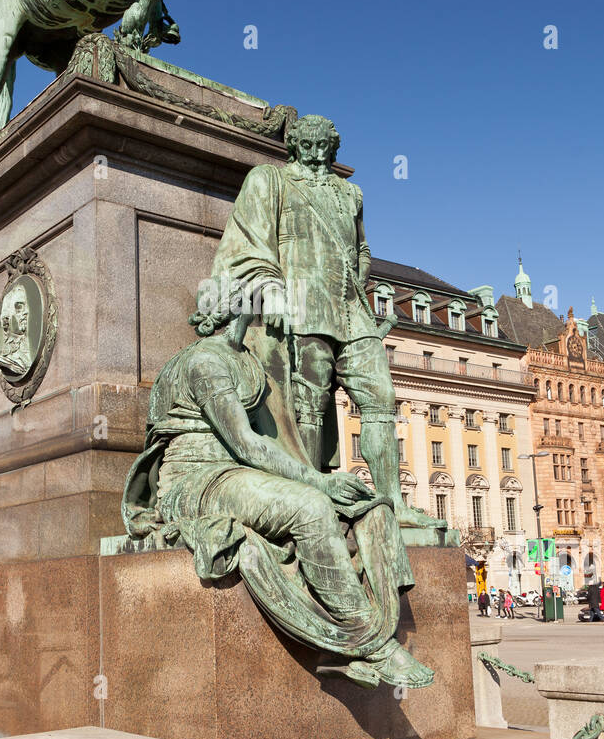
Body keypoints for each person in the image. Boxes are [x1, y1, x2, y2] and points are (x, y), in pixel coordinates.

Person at [119, 297, 434, 690]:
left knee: (362, 509)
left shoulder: (245, 360)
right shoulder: (204, 363)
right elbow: (248, 444)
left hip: (230, 475)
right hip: (194, 481)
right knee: (311, 505)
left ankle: (335, 650)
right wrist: (318, 481)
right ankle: (365, 639)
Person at [209, 115, 446, 544]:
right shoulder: (272, 181)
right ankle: (312, 492)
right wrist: (271, 289)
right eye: (309, 145)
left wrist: (359, 273)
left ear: (333, 149)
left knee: (381, 397)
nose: (318, 153)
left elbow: (361, 245)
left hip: (349, 306)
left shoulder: (350, 192)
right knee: (310, 402)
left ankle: (392, 503)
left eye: (325, 146)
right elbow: (249, 239)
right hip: (303, 302)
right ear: (296, 147)